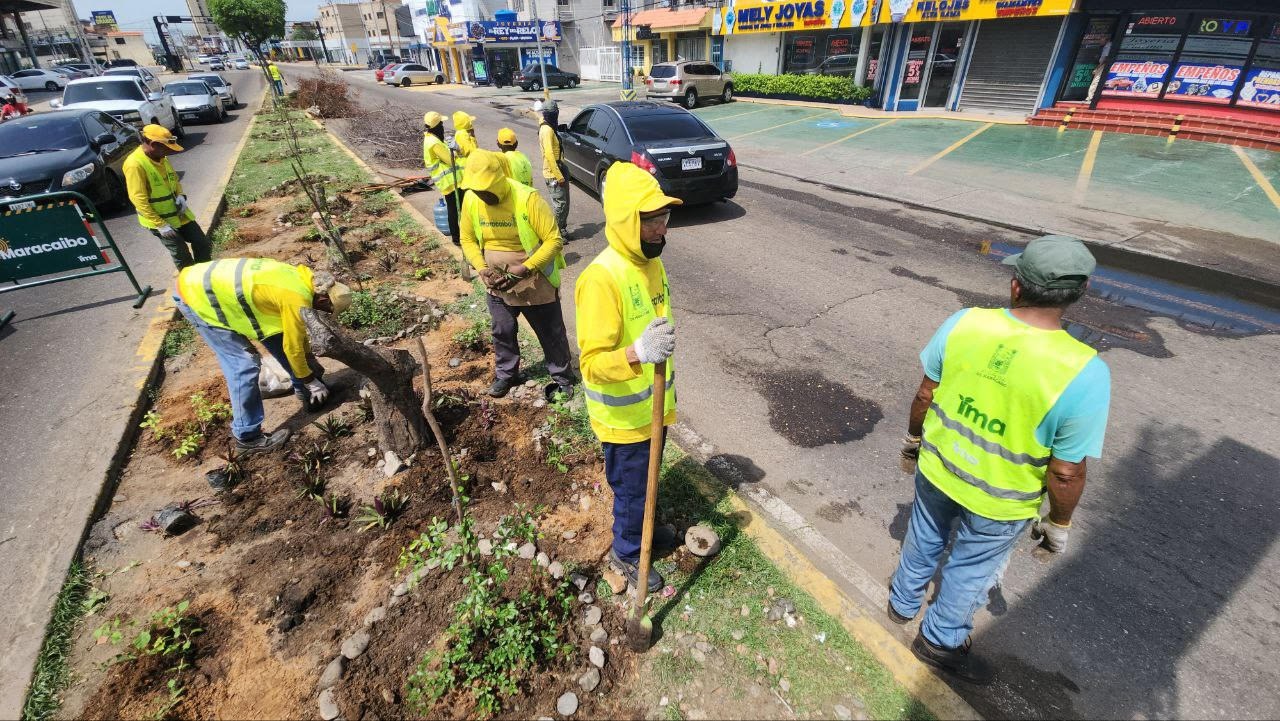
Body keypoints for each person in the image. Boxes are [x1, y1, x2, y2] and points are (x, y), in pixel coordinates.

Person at [890, 235, 1112, 685]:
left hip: (939, 466)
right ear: (1077, 294)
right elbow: (1067, 470)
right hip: (1001, 500)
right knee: (971, 569)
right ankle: (940, 641)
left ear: (1016, 286)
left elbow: (925, 393)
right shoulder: (1085, 371)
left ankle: (901, 603)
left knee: (925, 533)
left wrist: (913, 440)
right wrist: (1058, 526)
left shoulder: (963, 323)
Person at [575, 161, 680, 592]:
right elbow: (591, 364)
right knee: (633, 490)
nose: (661, 229)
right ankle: (628, 549)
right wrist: (637, 353)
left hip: (654, 408)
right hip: (623, 420)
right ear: (624, 221)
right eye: (650, 220)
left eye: (664, 218)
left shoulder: (651, 262)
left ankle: (647, 531)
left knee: (650, 477)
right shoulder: (600, 279)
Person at [174, 258, 352, 456]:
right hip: (198, 297)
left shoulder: (305, 279)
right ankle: (247, 437)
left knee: (279, 334)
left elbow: (293, 337)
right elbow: (293, 347)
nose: (324, 313)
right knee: (243, 365)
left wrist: (309, 378)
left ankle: (309, 394)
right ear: (324, 298)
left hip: (214, 285)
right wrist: (309, 379)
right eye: (327, 310)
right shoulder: (297, 299)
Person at [458, 150, 575, 400]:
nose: (482, 195)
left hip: (535, 280)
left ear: (499, 179)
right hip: (497, 282)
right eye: (477, 190)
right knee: (502, 329)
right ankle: (507, 374)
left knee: (550, 331)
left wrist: (524, 269)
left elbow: (553, 240)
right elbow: (466, 239)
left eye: (485, 189)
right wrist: (482, 268)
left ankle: (562, 377)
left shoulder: (527, 198)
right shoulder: (471, 200)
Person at [123, 124, 212, 269]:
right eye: (166, 148)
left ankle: (204, 276)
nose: (169, 152)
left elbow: (173, 179)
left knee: (201, 242)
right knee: (181, 254)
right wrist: (161, 225)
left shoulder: (160, 156)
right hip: (160, 221)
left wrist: (181, 195)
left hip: (178, 213)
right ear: (153, 144)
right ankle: (188, 285)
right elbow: (138, 198)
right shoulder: (134, 165)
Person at [422, 111, 463, 247]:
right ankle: (457, 237)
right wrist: (456, 149)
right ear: (436, 126)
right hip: (448, 181)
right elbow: (450, 160)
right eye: (441, 124)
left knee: (454, 208)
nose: (443, 126)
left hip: (447, 181)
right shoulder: (434, 143)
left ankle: (458, 236)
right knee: (455, 209)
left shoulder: (430, 137)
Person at [538, 100, 570, 239]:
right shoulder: (546, 130)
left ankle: (562, 228)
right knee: (560, 205)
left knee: (565, 202)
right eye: (553, 113)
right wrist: (559, 177)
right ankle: (554, 234)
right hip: (553, 173)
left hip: (560, 167)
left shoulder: (548, 125)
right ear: (548, 115)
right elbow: (549, 155)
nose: (556, 115)